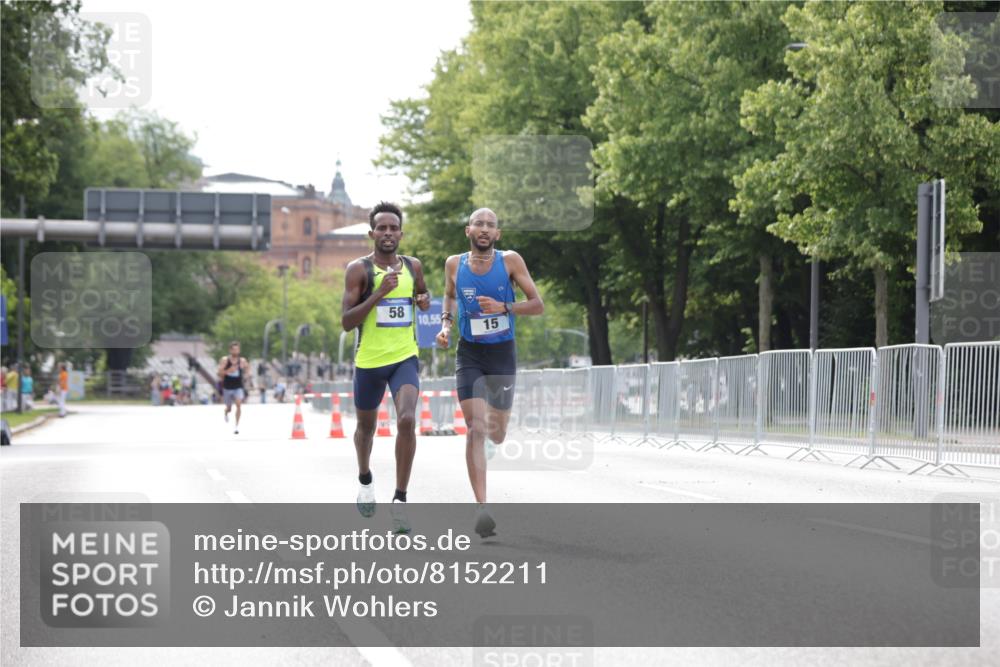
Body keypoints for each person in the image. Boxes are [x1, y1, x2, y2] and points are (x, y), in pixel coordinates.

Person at [437, 208, 544, 538]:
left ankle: (491, 442)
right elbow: (449, 296)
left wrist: (504, 307)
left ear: (497, 234)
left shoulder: (510, 261)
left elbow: (537, 304)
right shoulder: (454, 264)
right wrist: (445, 325)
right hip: (469, 353)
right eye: (478, 224)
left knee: (496, 434)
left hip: (501, 354)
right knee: (475, 428)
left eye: (490, 225)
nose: (484, 229)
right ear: (468, 230)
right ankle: (482, 507)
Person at [341, 201, 430, 534]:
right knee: (366, 429)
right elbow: (347, 322)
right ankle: (365, 479)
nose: (388, 233)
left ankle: (400, 500)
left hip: (404, 358)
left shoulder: (413, 266)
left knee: (407, 420)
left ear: (401, 234)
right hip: (369, 362)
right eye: (382, 228)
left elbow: (422, 296)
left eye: (394, 228)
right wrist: (379, 293)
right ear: (372, 233)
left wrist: (423, 300)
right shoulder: (358, 270)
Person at [217, 341, 251, 433]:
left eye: (237, 349)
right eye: (234, 349)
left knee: (239, 404)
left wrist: (247, 375)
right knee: (229, 408)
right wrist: (228, 370)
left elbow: (248, 368)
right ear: (230, 350)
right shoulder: (225, 360)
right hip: (227, 387)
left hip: (238, 386)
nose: (236, 351)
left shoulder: (242, 361)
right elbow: (219, 373)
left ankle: (236, 426)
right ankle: (226, 412)